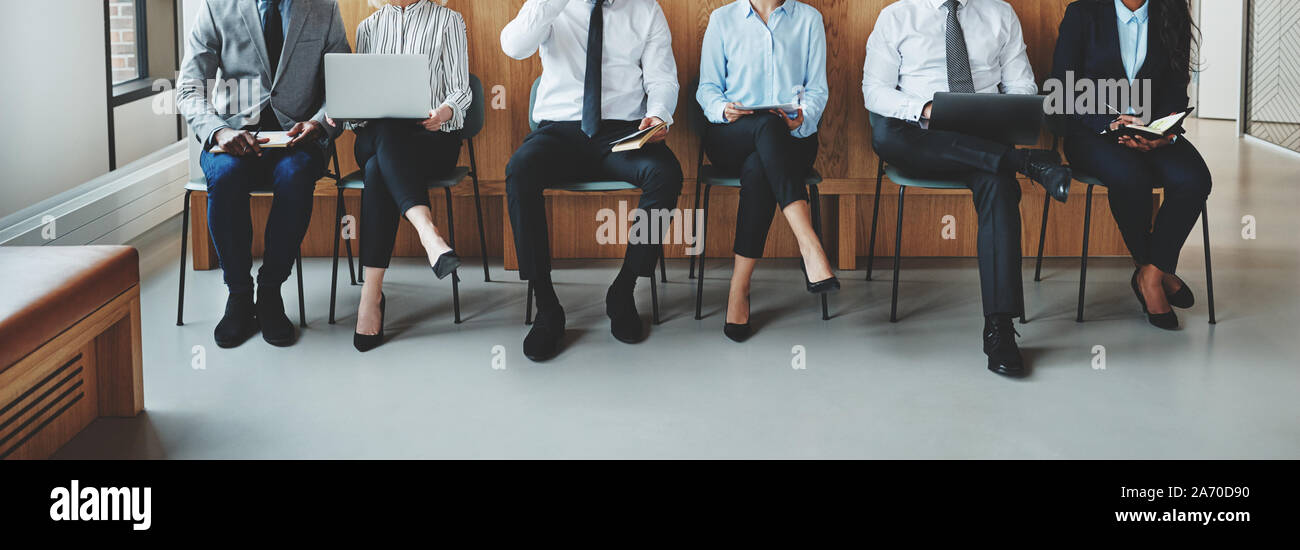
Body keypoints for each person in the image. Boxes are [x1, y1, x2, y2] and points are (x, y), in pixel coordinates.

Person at [863, 0, 1073, 378]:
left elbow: (1022, 84)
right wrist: (923, 108)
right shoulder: (897, 16)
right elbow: (874, 91)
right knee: (885, 135)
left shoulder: (999, 13)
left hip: (984, 137)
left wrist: (1002, 113)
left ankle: (1000, 328)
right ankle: (1027, 164)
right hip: (919, 134)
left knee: (998, 186)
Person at [501, 0, 684, 361]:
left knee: (666, 174)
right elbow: (513, 46)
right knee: (520, 170)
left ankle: (624, 288)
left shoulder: (646, 9)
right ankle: (547, 305)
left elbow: (662, 77)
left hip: (622, 133)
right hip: (559, 130)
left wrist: (658, 113)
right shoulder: (550, 4)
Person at [177, 0, 350, 348]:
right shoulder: (216, 7)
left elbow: (343, 87)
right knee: (225, 176)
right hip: (232, 138)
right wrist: (218, 132)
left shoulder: (323, 8)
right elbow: (189, 87)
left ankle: (270, 291)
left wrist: (317, 124)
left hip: (297, 141)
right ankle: (239, 295)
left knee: (295, 174)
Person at [1052, 0, 1210, 330]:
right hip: (1091, 130)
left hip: (1150, 131)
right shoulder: (1083, 13)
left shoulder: (1171, 13)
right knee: (1130, 176)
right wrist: (1108, 122)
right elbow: (1062, 87)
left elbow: (1175, 90)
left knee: (1194, 178)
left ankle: (1151, 271)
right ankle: (1155, 278)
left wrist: (1161, 133)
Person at [696, 0, 838, 343]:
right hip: (733, 135)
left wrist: (802, 116)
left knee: (762, 158)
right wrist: (722, 108)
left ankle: (738, 287)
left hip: (792, 138)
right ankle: (809, 243)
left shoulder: (809, 20)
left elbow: (817, 88)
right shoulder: (722, 19)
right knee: (763, 130)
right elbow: (707, 88)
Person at [338, 0, 472, 352]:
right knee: (384, 128)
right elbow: (360, 101)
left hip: (430, 138)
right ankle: (429, 234)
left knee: (376, 169)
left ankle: (371, 296)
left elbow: (462, 89)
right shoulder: (367, 27)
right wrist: (344, 110)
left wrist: (444, 111)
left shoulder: (448, 20)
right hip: (376, 135)